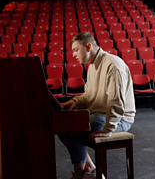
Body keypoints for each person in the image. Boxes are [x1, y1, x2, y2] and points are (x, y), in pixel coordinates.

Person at [58, 32, 136, 179]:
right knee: (62, 128)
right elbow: (90, 95)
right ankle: (89, 167)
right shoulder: (92, 66)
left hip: (119, 119)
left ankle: (79, 173)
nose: (73, 55)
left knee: (74, 130)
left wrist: (108, 130)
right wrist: (75, 101)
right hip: (100, 115)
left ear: (88, 46)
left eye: (75, 50)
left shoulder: (113, 65)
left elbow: (116, 102)